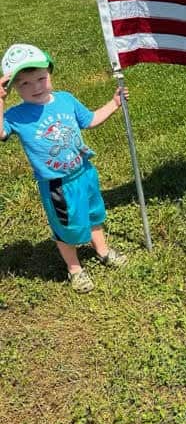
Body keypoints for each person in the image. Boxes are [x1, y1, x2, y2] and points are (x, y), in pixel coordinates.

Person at [0, 43, 128, 293]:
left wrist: (114, 104)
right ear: (13, 87)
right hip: (58, 185)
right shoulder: (15, 116)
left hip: (84, 172)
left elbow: (89, 120)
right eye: (24, 83)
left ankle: (102, 251)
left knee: (94, 215)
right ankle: (75, 269)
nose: (35, 86)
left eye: (40, 78)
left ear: (50, 73)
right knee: (66, 228)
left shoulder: (66, 100)